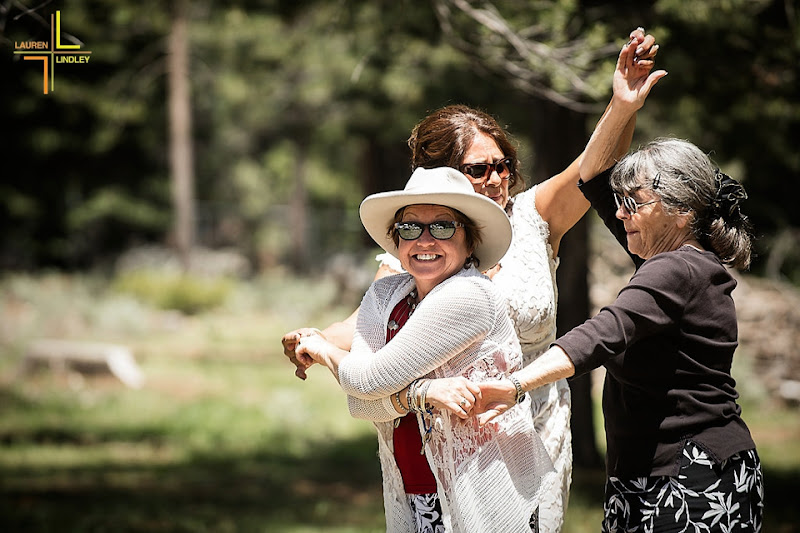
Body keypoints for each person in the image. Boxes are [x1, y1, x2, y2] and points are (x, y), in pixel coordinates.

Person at [283, 28, 661, 532]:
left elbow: (591, 172)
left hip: (530, 423)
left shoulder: (532, 219)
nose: (499, 178)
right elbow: (369, 322)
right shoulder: (420, 248)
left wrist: (622, 104)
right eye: (479, 169)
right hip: (434, 432)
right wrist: (315, 340)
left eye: (504, 164)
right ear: (444, 178)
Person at [473, 42, 763, 532]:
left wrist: (513, 385)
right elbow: (593, 177)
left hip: (690, 480)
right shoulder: (674, 258)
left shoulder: (675, 270)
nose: (619, 212)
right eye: (621, 201)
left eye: (634, 201)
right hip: (658, 476)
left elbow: (603, 334)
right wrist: (623, 107)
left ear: (682, 209)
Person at [294, 166, 557, 532]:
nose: (425, 240)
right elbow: (360, 402)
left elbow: (367, 381)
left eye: (443, 227)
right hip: (414, 486)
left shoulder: (469, 294)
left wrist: (322, 350)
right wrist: (425, 393)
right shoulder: (386, 294)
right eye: (410, 227)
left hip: (482, 490)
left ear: (470, 239)